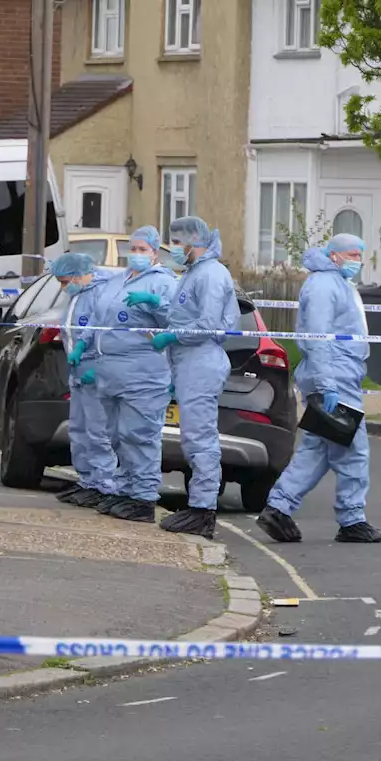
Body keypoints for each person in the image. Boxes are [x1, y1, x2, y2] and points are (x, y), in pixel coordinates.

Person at [257, 233, 381, 544]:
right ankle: (352, 519)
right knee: (354, 449)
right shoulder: (324, 286)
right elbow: (318, 337)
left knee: (319, 449)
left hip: (338, 373)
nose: (358, 261)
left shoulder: (334, 283)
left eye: (360, 255)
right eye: (353, 254)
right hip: (335, 376)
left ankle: (279, 508)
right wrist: (328, 384)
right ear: (335, 256)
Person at [72, 226, 175, 523]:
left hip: (142, 373)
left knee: (139, 435)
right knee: (116, 434)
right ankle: (126, 488)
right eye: (134, 248)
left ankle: (143, 496)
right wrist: (82, 343)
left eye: (144, 249)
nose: (137, 253)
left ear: (155, 252)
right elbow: (97, 317)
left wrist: (156, 303)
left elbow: (177, 321)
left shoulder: (163, 283)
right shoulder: (118, 280)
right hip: (110, 371)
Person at [153, 216, 240, 540]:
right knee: (193, 437)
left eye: (177, 242)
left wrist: (172, 337)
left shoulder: (212, 275)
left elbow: (209, 325)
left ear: (194, 242)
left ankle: (203, 510)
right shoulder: (193, 273)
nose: (173, 248)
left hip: (201, 362)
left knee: (201, 438)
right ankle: (199, 506)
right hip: (189, 364)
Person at [51, 252, 117, 508]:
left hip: (94, 372)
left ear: (80, 275)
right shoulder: (78, 296)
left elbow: (103, 336)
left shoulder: (100, 294)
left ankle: (105, 484)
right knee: (79, 430)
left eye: (66, 281)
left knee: (98, 431)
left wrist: (96, 368)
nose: (64, 287)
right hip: (78, 372)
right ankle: (88, 481)